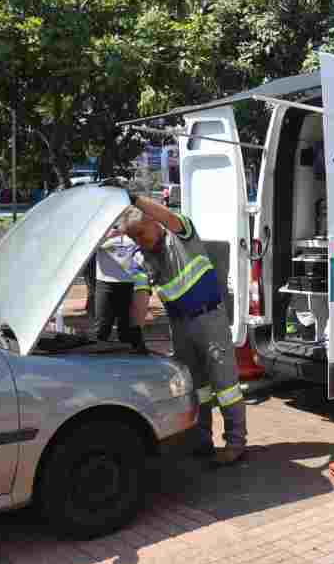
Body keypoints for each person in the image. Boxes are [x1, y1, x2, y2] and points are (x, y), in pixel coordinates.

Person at [106, 179, 247, 466]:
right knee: (198, 387)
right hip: (180, 326)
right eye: (134, 239)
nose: (140, 242)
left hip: (209, 319)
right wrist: (135, 333)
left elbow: (167, 216)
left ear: (152, 222)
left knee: (226, 386)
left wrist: (132, 198)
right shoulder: (143, 258)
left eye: (142, 234)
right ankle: (202, 439)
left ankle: (236, 443)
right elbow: (141, 297)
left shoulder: (181, 234)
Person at [94, 222, 145, 351]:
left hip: (130, 283)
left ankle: (133, 359)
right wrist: (108, 235)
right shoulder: (101, 228)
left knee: (127, 329)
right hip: (105, 283)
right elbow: (88, 247)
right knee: (102, 327)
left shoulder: (134, 229)